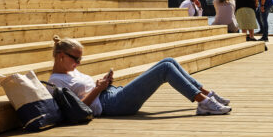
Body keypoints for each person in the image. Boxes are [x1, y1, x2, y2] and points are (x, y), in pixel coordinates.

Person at [48, 36, 231, 116]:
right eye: (76, 59)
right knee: (165, 69)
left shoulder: (71, 71)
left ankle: (207, 95)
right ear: (61, 56)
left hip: (111, 94)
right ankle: (203, 103)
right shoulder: (56, 81)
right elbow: (76, 109)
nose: (79, 63)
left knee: (169, 60)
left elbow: (83, 91)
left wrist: (102, 84)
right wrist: (98, 88)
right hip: (111, 105)